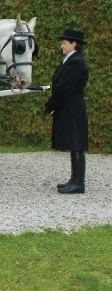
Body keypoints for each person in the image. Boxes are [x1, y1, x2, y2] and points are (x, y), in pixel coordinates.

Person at [45, 29, 89, 194]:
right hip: (70, 106)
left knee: (77, 144)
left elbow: (64, 87)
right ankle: (74, 180)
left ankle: (78, 183)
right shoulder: (71, 60)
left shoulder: (76, 61)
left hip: (73, 107)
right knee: (74, 143)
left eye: (64, 42)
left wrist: (51, 105)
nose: (61, 45)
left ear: (74, 44)